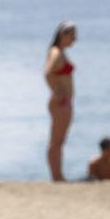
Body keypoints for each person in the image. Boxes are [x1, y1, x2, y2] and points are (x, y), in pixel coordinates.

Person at [44, 21, 77, 182]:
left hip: (65, 101)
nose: (74, 39)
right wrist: (57, 91)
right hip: (60, 102)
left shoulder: (61, 52)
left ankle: (59, 175)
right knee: (56, 141)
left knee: (60, 141)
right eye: (72, 35)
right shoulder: (56, 52)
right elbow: (48, 72)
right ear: (62, 35)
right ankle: (56, 176)